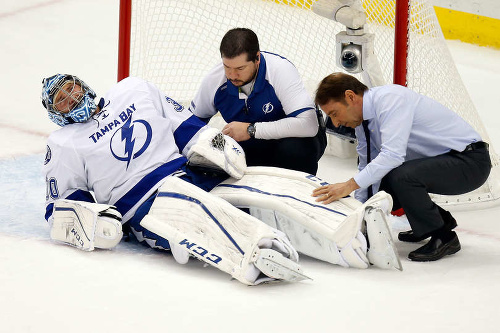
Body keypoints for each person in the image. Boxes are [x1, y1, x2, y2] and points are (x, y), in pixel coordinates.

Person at [40, 74, 402, 284]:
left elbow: (185, 126)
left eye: (72, 88)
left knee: (269, 185)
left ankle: (356, 226)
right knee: (196, 211)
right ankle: (254, 254)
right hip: (143, 202)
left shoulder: (133, 90)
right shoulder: (63, 144)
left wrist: (211, 145)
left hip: (189, 171)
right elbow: (61, 204)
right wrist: (90, 221)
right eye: (62, 99)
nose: (72, 97)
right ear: (56, 113)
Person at [312, 72, 492, 262]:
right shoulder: (362, 122)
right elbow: (367, 164)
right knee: (378, 179)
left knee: (401, 176)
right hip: (445, 162)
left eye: (334, 113)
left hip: (470, 162)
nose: (335, 123)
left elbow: (392, 155)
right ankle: (440, 220)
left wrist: (348, 186)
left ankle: (444, 237)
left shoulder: (391, 100)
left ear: (350, 96)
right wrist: (358, 214)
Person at [189, 27, 326, 175]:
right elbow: (188, 125)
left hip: (292, 143)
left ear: (257, 58)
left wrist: (251, 130)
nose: (232, 75)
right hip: (251, 146)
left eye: (240, 68)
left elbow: (309, 125)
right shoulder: (214, 80)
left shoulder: (280, 70)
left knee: (295, 150)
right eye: (227, 67)